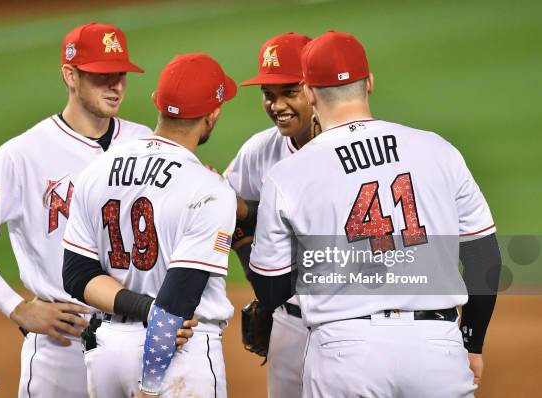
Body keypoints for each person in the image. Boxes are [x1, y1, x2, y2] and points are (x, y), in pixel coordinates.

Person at [249, 30, 501, 397]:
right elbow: (484, 257)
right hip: (436, 348)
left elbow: (270, 288)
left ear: (310, 91)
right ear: (369, 83)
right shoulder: (438, 150)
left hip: (344, 353)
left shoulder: (288, 173)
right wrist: (472, 342)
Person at [0, 22, 153, 397]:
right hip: (64, 346)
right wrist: (16, 308)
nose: (115, 85)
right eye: (101, 75)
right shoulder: (22, 154)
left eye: (120, 74)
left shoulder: (145, 142)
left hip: (139, 335)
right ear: (70, 75)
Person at [61, 53, 238, 398]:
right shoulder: (209, 189)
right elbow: (176, 303)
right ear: (213, 113)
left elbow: (77, 275)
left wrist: (142, 307)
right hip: (174, 356)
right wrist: (150, 386)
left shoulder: (97, 170)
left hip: (107, 352)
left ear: (158, 104)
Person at [223, 32, 317, 398]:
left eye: (288, 92)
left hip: (351, 324)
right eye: (268, 94)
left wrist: (250, 212)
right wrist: (260, 279)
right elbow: (223, 211)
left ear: (313, 88)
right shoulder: (260, 150)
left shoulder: (349, 149)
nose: (277, 105)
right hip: (289, 326)